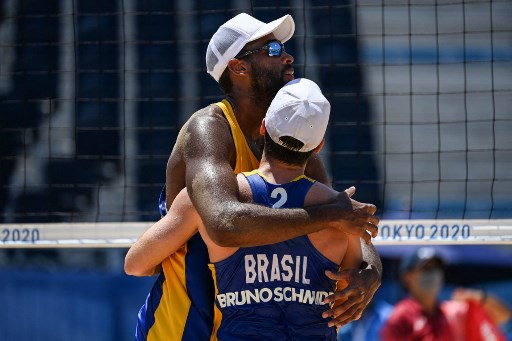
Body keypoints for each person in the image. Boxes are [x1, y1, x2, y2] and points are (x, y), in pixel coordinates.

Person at [133, 13, 382, 340]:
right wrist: (328, 216)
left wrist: (371, 272)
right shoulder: (209, 130)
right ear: (238, 68)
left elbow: (345, 220)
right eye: (274, 50)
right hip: (180, 327)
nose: (289, 56)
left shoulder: (288, 141)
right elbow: (224, 223)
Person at [380, 247, 506, 341]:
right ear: (407, 277)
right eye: (426, 268)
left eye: (436, 269)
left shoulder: (450, 312)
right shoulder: (402, 315)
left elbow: (503, 316)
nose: (433, 274)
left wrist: (477, 296)